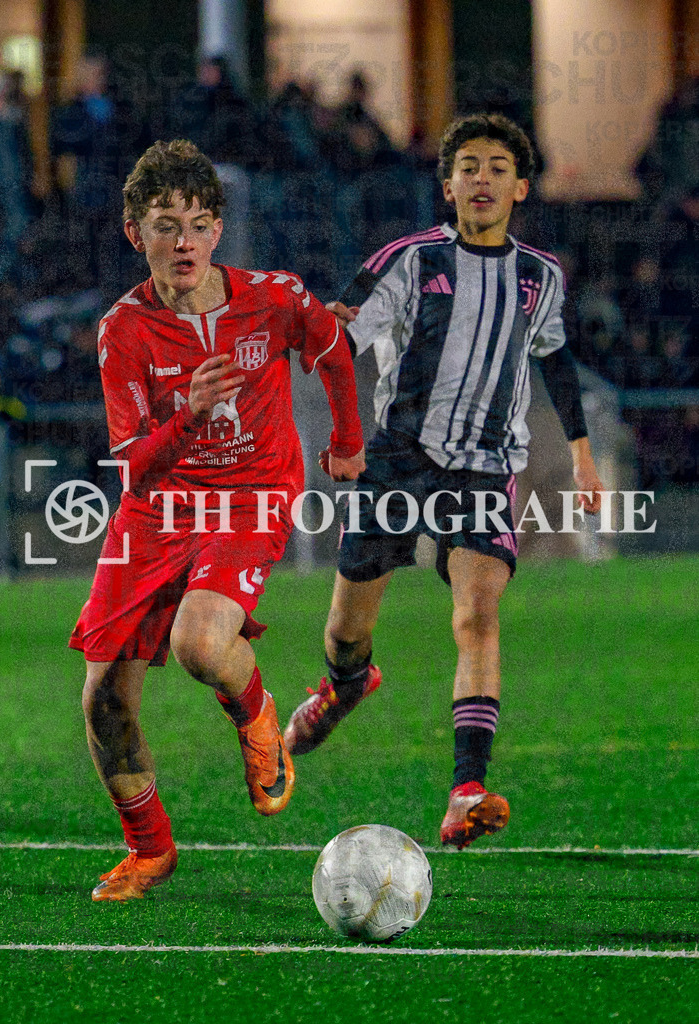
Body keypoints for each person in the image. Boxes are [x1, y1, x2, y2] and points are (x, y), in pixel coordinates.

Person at [284, 113, 605, 850]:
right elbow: (342, 336)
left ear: (521, 187)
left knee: (478, 617)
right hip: (395, 460)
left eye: (498, 167)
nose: (482, 178)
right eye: (469, 166)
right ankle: (345, 684)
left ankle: (467, 789)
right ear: (448, 184)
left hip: (488, 467)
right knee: (346, 632)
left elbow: (553, 357)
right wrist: (313, 335)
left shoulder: (541, 277)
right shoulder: (409, 259)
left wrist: (581, 450)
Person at [69, 139, 365, 901]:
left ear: (218, 231)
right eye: (166, 225)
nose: (185, 242)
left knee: (201, 642)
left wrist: (345, 442)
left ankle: (258, 713)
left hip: (252, 492)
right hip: (156, 507)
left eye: (199, 223)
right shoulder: (124, 331)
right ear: (135, 233)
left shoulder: (273, 297)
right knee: (103, 701)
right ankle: (152, 851)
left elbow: (334, 348)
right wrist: (191, 415)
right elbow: (134, 463)